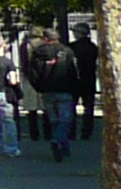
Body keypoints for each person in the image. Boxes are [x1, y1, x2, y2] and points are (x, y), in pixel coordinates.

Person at [22, 24, 79, 162]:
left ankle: (62, 145)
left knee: (53, 119)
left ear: (45, 38)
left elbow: (33, 73)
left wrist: (39, 87)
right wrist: (75, 88)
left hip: (47, 90)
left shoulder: (38, 53)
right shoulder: (67, 51)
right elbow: (73, 72)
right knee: (65, 119)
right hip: (64, 89)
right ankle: (59, 140)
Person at [73, 27, 101, 139]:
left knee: (72, 105)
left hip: (75, 79)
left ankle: (72, 130)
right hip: (89, 78)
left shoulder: (73, 47)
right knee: (88, 106)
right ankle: (87, 131)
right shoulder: (93, 47)